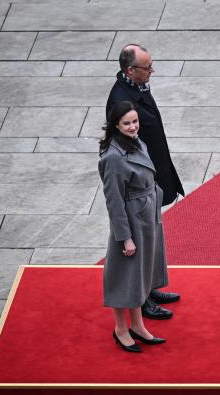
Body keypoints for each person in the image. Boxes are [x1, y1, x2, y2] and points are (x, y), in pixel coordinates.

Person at [106, 43, 183, 320]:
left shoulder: (137, 87)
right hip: (137, 191)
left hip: (150, 181)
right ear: (130, 70)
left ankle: (149, 288)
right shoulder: (120, 100)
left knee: (151, 241)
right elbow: (123, 155)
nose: (152, 70)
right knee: (138, 246)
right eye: (147, 67)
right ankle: (142, 299)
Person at [98, 101, 168, 353]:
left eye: (134, 121)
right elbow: (114, 202)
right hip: (131, 219)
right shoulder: (114, 158)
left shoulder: (137, 142)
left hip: (145, 215)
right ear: (116, 125)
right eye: (126, 123)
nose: (132, 126)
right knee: (123, 276)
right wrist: (125, 238)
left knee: (138, 274)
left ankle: (137, 325)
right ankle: (120, 329)